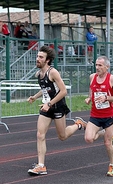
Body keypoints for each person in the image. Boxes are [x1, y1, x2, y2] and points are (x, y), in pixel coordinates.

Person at [27, 45, 87, 176]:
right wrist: (35, 97)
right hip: (46, 107)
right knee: (40, 135)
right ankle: (41, 165)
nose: (37, 59)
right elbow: (45, 89)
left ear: (47, 60)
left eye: (41, 57)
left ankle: (78, 124)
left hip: (57, 106)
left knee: (62, 136)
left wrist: (50, 103)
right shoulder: (39, 74)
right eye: (37, 56)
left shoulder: (52, 72)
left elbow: (63, 91)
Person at [84, 56, 113, 177]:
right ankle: (104, 132)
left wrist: (107, 97)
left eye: (100, 65)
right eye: (96, 65)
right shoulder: (92, 77)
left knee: (107, 143)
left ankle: (112, 166)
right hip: (95, 115)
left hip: (108, 116)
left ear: (107, 67)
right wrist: (89, 98)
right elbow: (92, 91)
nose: (97, 67)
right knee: (88, 139)